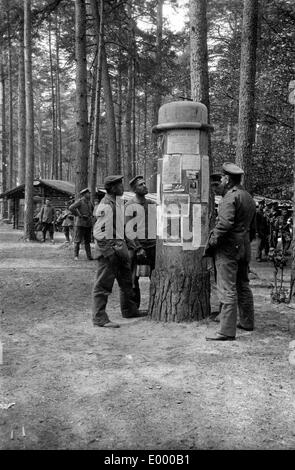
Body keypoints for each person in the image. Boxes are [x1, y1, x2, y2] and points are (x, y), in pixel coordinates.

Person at [204, 162, 256, 341]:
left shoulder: (230, 197)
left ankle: (226, 330)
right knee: (243, 285)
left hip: (228, 249)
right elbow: (252, 227)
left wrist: (212, 240)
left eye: (223, 178)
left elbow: (225, 223)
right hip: (244, 247)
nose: (222, 181)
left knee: (227, 288)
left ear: (227, 179)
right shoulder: (248, 196)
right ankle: (247, 322)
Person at [92, 175, 141, 328]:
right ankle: (99, 318)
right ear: (112, 188)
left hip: (120, 252)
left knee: (127, 283)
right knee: (102, 286)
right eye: (119, 185)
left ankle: (129, 310)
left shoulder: (118, 203)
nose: (122, 187)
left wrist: (133, 246)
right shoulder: (106, 204)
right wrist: (109, 253)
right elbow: (99, 233)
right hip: (109, 253)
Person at [125, 175, 157, 309]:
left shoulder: (151, 204)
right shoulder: (129, 206)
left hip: (152, 245)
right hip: (135, 247)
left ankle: (155, 307)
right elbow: (128, 230)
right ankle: (133, 308)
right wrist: (138, 248)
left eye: (145, 183)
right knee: (132, 279)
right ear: (134, 189)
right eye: (141, 185)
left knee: (155, 277)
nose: (144, 186)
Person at [69, 188, 94, 260]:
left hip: (88, 224)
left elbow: (92, 210)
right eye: (88, 193)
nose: (89, 194)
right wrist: (79, 215)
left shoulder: (89, 202)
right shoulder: (80, 201)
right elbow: (71, 208)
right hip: (80, 224)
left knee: (87, 241)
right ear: (84, 194)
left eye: (89, 193)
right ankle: (76, 256)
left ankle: (89, 256)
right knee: (77, 240)